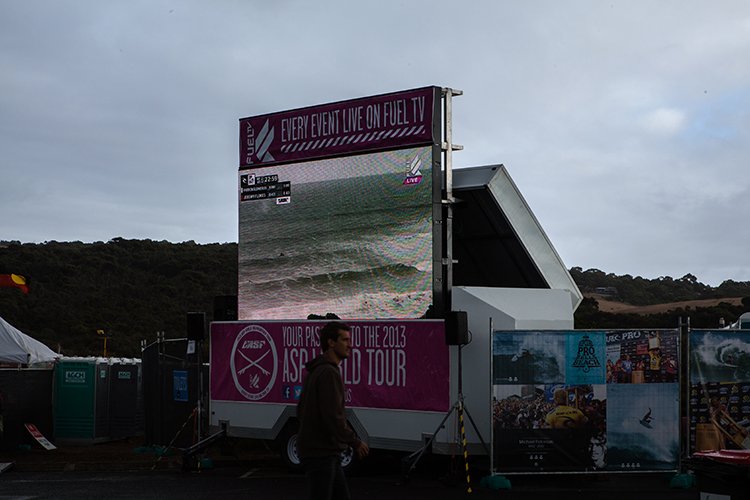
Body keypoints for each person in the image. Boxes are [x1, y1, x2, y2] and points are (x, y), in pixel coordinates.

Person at [297, 321, 369, 500]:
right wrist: (355, 442)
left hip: (324, 453)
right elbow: (333, 417)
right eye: (344, 340)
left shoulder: (315, 371)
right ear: (331, 342)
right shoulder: (328, 373)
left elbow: (301, 410)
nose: (350, 345)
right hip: (321, 453)